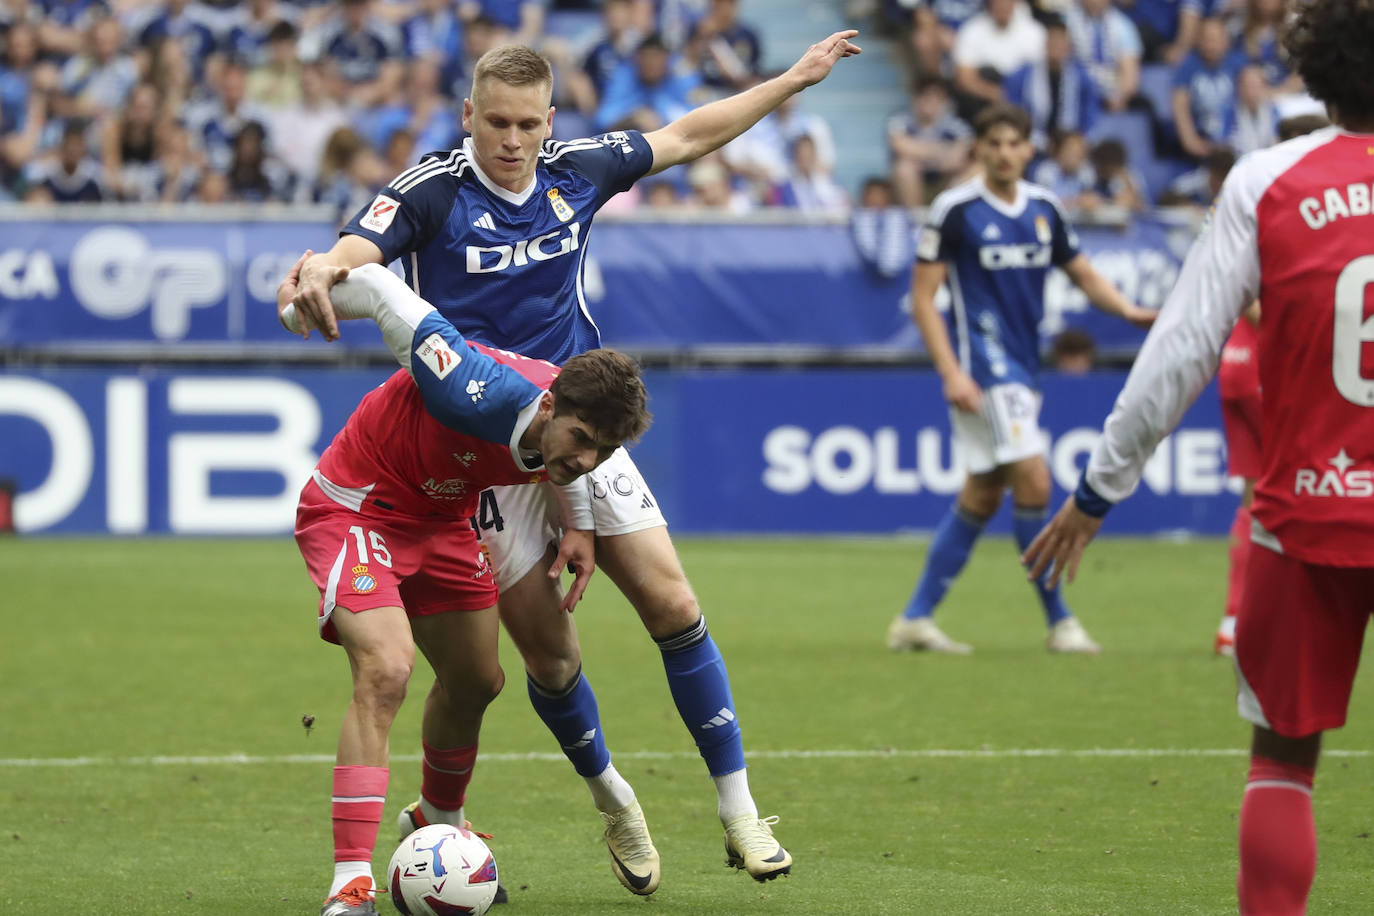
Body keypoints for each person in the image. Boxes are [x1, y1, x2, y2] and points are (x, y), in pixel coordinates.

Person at [282, 30, 862, 898]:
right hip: (485, 440)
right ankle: (615, 801)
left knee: (672, 600)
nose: (512, 142)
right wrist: (325, 268)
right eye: (496, 123)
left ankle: (740, 809)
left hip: (579, 422)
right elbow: (364, 252)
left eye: (528, 125)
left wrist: (791, 79)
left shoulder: (576, 171)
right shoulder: (433, 188)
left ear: (550, 122)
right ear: (468, 114)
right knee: (546, 662)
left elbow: (689, 136)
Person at [1023, 1, 1374, 910]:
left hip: (1303, 517)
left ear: (1314, 74)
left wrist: (1098, 490)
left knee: (1284, 759)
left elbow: (1179, 352)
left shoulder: (1267, 181)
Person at [280, 262, 651, 916]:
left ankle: (436, 822)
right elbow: (381, 291)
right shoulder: (472, 387)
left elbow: (574, 462)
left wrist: (581, 527)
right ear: (546, 406)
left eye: (604, 451)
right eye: (582, 441)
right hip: (359, 507)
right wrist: (310, 292)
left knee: (478, 680)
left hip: (445, 519)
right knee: (387, 668)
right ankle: (351, 884)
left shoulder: (568, 432)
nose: (587, 460)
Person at [885, 102, 1154, 656]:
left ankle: (914, 618)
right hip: (984, 371)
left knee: (983, 495)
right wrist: (950, 370)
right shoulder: (954, 210)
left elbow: (1082, 273)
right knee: (1033, 481)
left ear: (1029, 149)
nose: (1005, 153)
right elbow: (922, 299)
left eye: (1015, 143)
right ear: (979, 150)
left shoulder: (1045, 208)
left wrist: (1127, 311)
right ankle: (1061, 622)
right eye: (995, 143)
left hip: (1024, 370)